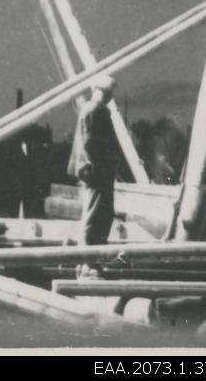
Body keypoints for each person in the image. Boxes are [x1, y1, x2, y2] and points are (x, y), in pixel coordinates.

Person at [67, 75, 121, 279]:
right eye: (107, 93)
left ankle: (92, 261)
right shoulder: (93, 110)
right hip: (97, 172)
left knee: (102, 215)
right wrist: (102, 164)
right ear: (99, 91)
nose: (109, 96)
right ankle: (88, 262)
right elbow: (90, 144)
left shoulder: (99, 110)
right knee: (94, 216)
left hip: (101, 171)